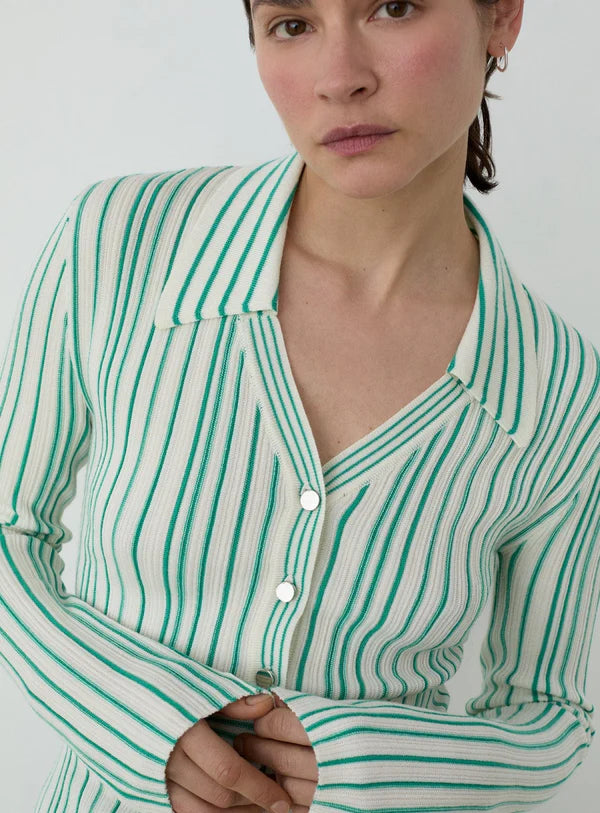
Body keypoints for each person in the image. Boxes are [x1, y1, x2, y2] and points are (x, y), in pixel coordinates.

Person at [1, 0, 599, 811]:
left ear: (500, 18)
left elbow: (552, 715)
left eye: (393, 7)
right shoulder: (117, 243)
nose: (339, 78)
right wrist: (143, 727)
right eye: (292, 23)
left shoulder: (561, 392)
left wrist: (360, 764)